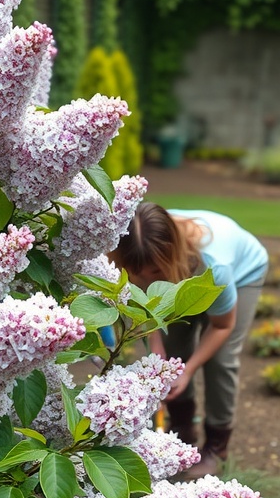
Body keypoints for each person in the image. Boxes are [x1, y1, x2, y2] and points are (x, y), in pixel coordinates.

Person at [112, 202, 269, 478]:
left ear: (169, 257)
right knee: (173, 354)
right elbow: (148, 308)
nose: (147, 283)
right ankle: (183, 433)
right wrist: (159, 353)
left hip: (242, 272)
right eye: (140, 275)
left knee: (220, 361)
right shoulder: (137, 245)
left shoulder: (215, 266)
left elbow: (222, 326)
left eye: (155, 274)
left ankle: (216, 449)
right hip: (178, 269)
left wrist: (189, 369)